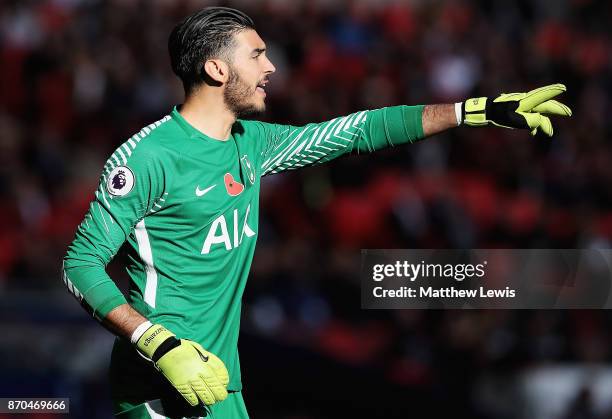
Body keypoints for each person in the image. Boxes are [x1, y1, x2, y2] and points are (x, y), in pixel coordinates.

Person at [62, 6, 572, 419]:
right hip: (163, 381)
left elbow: (356, 131)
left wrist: (472, 111)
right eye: (257, 55)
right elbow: (80, 263)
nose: (271, 68)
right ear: (217, 69)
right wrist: (160, 344)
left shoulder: (253, 143)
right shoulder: (147, 158)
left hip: (221, 380)